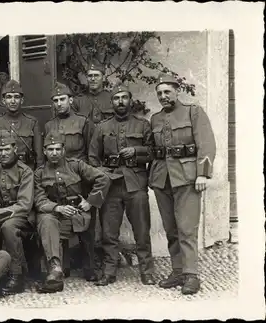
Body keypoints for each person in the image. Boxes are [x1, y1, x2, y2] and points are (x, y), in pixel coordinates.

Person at [149, 73, 216, 295]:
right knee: (171, 229)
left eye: (167, 91)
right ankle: (177, 271)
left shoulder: (193, 112)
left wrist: (203, 174)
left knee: (187, 229)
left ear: (177, 91)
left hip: (187, 178)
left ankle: (191, 275)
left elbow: (206, 144)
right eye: (159, 93)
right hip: (162, 179)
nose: (163, 96)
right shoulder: (156, 119)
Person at [88, 83, 155, 286]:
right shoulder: (102, 127)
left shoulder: (143, 125)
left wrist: (137, 151)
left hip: (136, 183)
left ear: (130, 100)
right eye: (116, 98)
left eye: (124, 97)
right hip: (111, 185)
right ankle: (109, 271)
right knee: (109, 231)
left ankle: (147, 271)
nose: (120, 101)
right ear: (112, 102)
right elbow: (93, 157)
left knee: (142, 231)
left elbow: (154, 153)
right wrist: (104, 175)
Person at [33, 131, 111, 293]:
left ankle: (84, 267)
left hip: (78, 214)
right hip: (56, 216)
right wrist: (57, 208)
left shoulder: (76, 165)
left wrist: (90, 202)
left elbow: (103, 178)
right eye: (50, 149)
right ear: (45, 152)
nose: (54, 153)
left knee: (90, 272)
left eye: (57, 149)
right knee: (46, 221)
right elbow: (39, 200)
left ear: (63, 150)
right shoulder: (39, 173)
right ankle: (55, 269)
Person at [0, 130, 34, 295]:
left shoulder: (25, 171)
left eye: (7, 149)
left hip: (22, 216)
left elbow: (25, 204)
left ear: (15, 149)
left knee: (8, 227)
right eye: (0, 150)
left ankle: (17, 275)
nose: (3, 153)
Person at [0, 80, 43, 170]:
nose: (13, 101)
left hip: (25, 170)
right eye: (9, 97)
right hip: (1, 171)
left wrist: (37, 174)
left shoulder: (32, 122)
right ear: (3, 101)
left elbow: (39, 156)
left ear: (22, 100)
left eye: (16, 97)